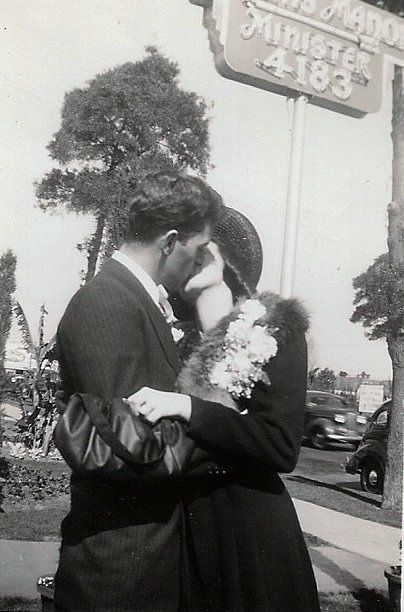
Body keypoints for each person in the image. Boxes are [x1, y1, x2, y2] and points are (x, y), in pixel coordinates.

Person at [127, 207, 320, 611]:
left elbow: (281, 447)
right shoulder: (173, 338)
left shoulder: (276, 331)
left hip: (251, 533)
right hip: (186, 527)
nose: (190, 258)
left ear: (224, 260)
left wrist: (189, 408)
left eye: (204, 249)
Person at [53, 170, 223, 612]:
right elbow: (132, 445)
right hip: (119, 575)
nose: (202, 261)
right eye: (199, 248)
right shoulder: (106, 301)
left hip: (146, 563)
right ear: (169, 241)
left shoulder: (138, 299)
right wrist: (228, 432)